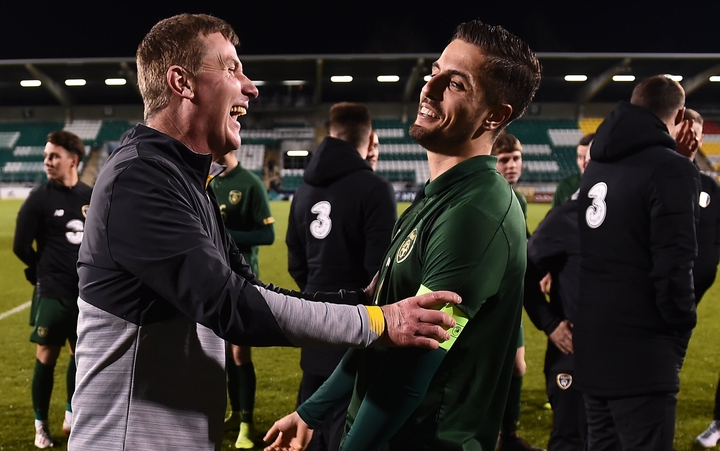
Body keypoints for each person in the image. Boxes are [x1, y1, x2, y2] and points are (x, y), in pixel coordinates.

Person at [68, 14, 459, 451]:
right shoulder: (140, 180)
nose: (250, 87)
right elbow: (233, 306)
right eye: (232, 68)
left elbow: (250, 288)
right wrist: (379, 321)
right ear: (181, 82)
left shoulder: (182, 179)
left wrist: (363, 300)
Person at [265, 19, 542, 451]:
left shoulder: (474, 214)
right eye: (435, 71)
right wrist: (312, 411)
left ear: (496, 115)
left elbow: (408, 378)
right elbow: (381, 335)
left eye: (456, 84)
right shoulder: (436, 199)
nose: (429, 88)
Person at [575, 74, 700, 451]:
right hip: (644, 352)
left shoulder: (596, 164)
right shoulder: (671, 169)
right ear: (679, 118)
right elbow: (675, 263)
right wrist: (679, 328)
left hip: (593, 343)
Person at [286, 102, 397, 451]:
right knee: (345, 435)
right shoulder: (375, 188)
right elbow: (379, 272)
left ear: (331, 135)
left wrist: (318, 298)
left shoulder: (303, 190)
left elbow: (296, 261)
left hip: (313, 323)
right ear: (369, 138)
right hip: (356, 331)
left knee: (310, 428)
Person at [12, 130, 91, 449]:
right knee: (46, 354)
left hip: (85, 293)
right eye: (46, 156)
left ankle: (72, 413)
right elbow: (20, 245)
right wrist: (39, 269)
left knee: (80, 355)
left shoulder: (90, 194)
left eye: (54, 156)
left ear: (73, 160)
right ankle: (40, 424)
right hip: (53, 291)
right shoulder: (39, 198)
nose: (47, 161)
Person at [523, 148, 590, 451]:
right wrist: (550, 322)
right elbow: (523, 270)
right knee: (570, 438)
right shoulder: (568, 216)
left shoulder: (633, 217)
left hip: (622, 353)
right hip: (573, 351)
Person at [210, 149, 276, 448]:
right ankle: (234, 413)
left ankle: (247, 425)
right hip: (211, 278)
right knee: (220, 353)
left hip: (242, 279)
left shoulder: (249, 183)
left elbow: (268, 235)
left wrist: (225, 235)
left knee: (239, 353)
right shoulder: (207, 179)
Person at [490, 131, 544, 451]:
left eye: (516, 158)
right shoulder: (485, 196)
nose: (512, 165)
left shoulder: (519, 200)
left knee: (517, 366)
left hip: (511, 298)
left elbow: (524, 245)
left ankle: (507, 437)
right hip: (485, 300)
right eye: (504, 159)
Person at [680, 108, 720, 448]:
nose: (692, 135)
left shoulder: (709, 185)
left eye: (696, 130)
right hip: (657, 291)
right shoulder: (659, 173)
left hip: (695, 291)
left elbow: (716, 236)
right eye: (685, 128)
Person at [551, 133, 594, 208]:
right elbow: (554, 217)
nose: (583, 163)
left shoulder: (610, 186)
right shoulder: (565, 186)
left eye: (588, 158)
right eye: (580, 157)